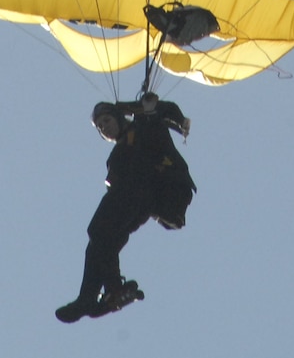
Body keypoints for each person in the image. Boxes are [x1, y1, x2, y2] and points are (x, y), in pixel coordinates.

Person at [55, 93, 194, 322]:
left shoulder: (143, 127)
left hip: (150, 188)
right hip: (139, 196)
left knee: (98, 230)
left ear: (119, 118)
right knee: (100, 243)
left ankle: (111, 288)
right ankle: (91, 298)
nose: (104, 129)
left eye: (107, 122)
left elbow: (166, 113)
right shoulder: (117, 154)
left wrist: (144, 108)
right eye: (99, 127)